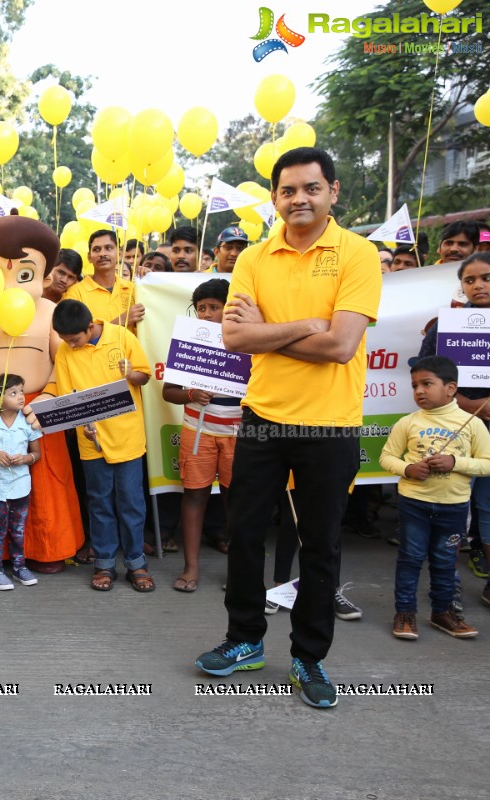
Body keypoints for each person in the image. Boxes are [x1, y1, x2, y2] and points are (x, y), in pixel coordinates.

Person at [195, 147, 382, 710]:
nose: (299, 198)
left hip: (330, 426)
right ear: (275, 197)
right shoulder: (253, 258)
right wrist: (305, 326)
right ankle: (245, 639)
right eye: (288, 190)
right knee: (245, 537)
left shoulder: (358, 254)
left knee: (320, 545)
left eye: (311, 188)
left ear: (333, 191)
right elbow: (234, 339)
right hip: (263, 420)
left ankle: (309, 655)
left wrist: (270, 331)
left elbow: (342, 345)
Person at [0, 213, 85, 575]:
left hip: (36, 410)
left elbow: (67, 359)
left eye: (23, 274)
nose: (10, 283)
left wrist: (50, 394)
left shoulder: (50, 312)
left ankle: (46, 548)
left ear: (42, 274)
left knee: (44, 481)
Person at [379, 355, 489, 640]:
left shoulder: (473, 424)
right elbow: (387, 457)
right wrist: (407, 468)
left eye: (427, 384)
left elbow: (487, 463)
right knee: (410, 558)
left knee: (444, 561)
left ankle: (443, 612)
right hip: (413, 503)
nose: (419, 391)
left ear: (451, 388)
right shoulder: (408, 422)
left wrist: (456, 463)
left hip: (453, 506)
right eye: (415, 385)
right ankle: (404, 613)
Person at [50, 298, 154, 592]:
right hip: (91, 437)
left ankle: (136, 563)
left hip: (127, 436)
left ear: (90, 325)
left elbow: (143, 377)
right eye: (64, 340)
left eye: (75, 339)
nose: (70, 345)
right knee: (99, 502)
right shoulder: (65, 352)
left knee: (131, 503)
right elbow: (67, 393)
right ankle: (104, 563)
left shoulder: (123, 336)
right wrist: (79, 420)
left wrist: (130, 372)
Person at [417, 252, 490, 607]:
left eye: (486, 277)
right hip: (454, 430)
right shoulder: (445, 325)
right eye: (470, 280)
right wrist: (466, 403)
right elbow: (423, 374)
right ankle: (448, 592)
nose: (478, 285)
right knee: (453, 511)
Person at [161, 279, 241, 593]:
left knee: (238, 502)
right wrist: (191, 393)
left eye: (214, 307)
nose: (206, 314)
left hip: (237, 433)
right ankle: (191, 567)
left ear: (229, 308)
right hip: (198, 432)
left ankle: (238, 569)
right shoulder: (187, 346)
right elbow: (169, 392)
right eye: (201, 308)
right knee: (194, 495)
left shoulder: (247, 343)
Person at [0, 373, 42, 590]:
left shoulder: (28, 423)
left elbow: (37, 454)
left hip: (21, 485)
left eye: (21, 391)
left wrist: (25, 458)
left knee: (18, 529)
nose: (21, 397)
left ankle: (19, 566)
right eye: (13, 393)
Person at [63, 229, 143, 328]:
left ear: (119, 254)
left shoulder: (132, 289)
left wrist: (151, 278)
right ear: (89, 257)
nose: (102, 254)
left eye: (108, 248)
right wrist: (121, 320)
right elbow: (74, 334)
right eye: (96, 249)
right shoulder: (75, 293)